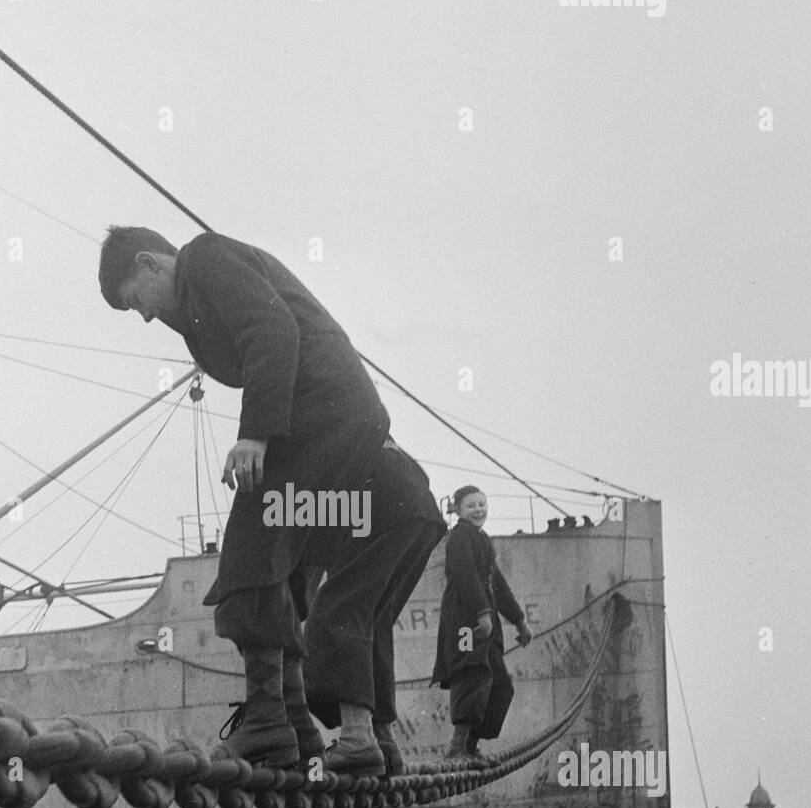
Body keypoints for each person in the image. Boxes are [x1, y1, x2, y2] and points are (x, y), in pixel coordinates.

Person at [98, 226, 389, 766]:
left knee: (249, 558)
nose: (141, 316)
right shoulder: (198, 300)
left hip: (317, 415)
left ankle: (266, 720)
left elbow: (271, 328)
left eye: (135, 300)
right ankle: (294, 722)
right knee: (290, 566)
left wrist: (255, 432)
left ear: (150, 263)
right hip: (351, 423)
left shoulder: (203, 260)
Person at [301, 439, 446, 775]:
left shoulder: (302, 436)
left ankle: (356, 740)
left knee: (337, 614)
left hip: (380, 500)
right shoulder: (354, 413)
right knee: (372, 620)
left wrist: (305, 612)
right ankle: (384, 742)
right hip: (419, 507)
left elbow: (311, 546)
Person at [431, 485, 532, 761]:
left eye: (481, 504)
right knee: (471, 672)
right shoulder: (459, 538)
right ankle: (457, 747)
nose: (478, 510)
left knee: (500, 685)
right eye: (471, 506)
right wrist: (481, 613)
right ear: (459, 511)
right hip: (465, 622)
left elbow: (496, 583)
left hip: (485, 622)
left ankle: (471, 745)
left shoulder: (482, 539)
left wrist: (520, 621)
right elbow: (464, 576)